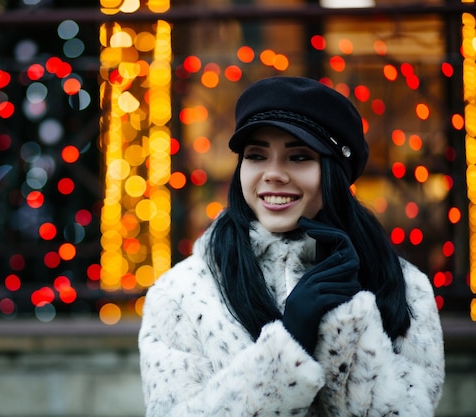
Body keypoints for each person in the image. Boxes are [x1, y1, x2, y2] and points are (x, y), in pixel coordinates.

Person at [138, 76, 445, 416]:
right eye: (256, 155)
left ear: (335, 172)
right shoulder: (180, 295)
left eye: (298, 157)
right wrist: (289, 344)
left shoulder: (406, 288)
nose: (273, 174)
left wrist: (342, 327)